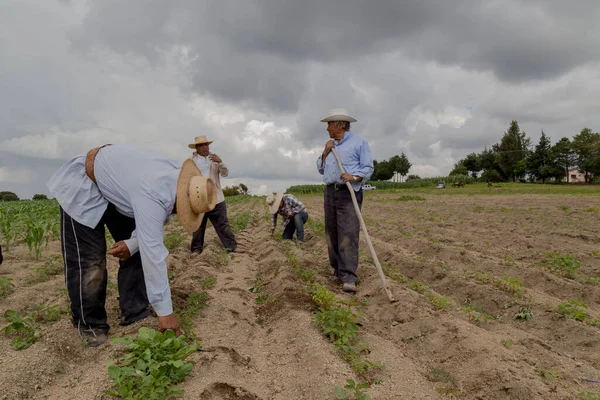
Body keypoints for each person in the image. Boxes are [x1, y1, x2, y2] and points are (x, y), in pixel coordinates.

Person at [47, 144, 216, 346]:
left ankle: (134, 312)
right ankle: (90, 323)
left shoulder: (174, 180)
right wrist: (166, 314)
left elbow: (152, 222)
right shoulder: (154, 194)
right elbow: (153, 254)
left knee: (133, 254)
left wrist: (131, 244)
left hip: (121, 192)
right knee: (89, 262)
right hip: (84, 183)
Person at [316, 108, 374, 293]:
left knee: (348, 233)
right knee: (331, 232)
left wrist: (354, 176)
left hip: (348, 192)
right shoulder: (330, 145)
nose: (327, 129)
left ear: (340, 125)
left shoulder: (359, 143)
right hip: (330, 192)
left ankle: (348, 275)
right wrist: (325, 152)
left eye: (329, 125)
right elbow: (320, 168)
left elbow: (368, 168)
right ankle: (336, 270)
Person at [188, 136, 237, 254]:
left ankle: (232, 246)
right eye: (201, 145)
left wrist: (220, 162)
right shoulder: (191, 161)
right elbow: (187, 179)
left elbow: (225, 173)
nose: (205, 147)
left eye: (206, 144)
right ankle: (196, 249)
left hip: (216, 198)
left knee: (223, 224)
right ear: (197, 148)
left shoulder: (214, 158)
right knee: (198, 226)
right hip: (198, 198)